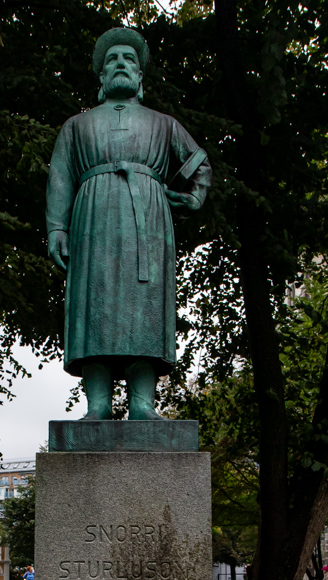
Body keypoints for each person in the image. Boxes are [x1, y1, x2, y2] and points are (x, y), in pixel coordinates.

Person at [46, 27, 211, 420]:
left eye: (129, 60)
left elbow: (199, 164)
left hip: (146, 225)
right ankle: (97, 405)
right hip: (92, 221)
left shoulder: (163, 123)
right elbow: (60, 177)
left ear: (140, 77)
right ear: (102, 78)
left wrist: (192, 197)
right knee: (93, 304)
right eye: (112, 60)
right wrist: (57, 227)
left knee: (145, 307)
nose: (120, 64)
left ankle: (143, 404)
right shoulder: (76, 126)